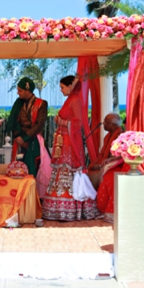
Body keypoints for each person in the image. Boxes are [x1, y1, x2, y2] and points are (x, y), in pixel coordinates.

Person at [41, 76, 99, 221]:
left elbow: (78, 123)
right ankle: (60, 209)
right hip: (64, 142)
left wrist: (61, 121)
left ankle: (70, 210)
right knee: (61, 171)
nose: (61, 90)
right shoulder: (70, 100)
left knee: (68, 170)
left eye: (62, 87)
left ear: (70, 86)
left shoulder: (75, 100)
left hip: (70, 144)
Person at [5, 77, 49, 176]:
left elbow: (39, 124)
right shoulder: (18, 104)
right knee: (20, 172)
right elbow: (13, 123)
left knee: (37, 172)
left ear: (27, 90)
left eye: (20, 90)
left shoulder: (41, 103)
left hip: (35, 144)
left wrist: (25, 138)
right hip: (21, 144)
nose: (18, 93)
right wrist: (19, 138)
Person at [87, 113, 123, 189]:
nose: (103, 123)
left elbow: (119, 157)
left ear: (113, 125)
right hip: (104, 163)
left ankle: (94, 197)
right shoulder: (108, 136)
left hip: (113, 165)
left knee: (93, 175)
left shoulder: (121, 136)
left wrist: (100, 165)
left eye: (106, 122)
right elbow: (102, 154)